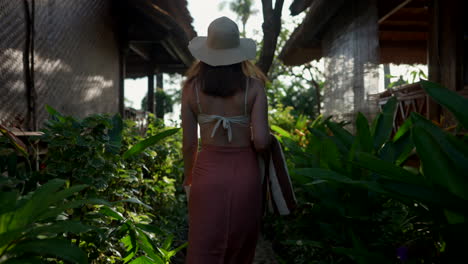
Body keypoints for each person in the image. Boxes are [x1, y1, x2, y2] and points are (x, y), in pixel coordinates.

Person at [181, 16, 270, 264]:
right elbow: (262, 141)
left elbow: (189, 144)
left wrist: (189, 178)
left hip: (205, 175)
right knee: (239, 247)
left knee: (203, 244)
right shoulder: (254, 88)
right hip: (245, 174)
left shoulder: (190, 89)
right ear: (238, 53)